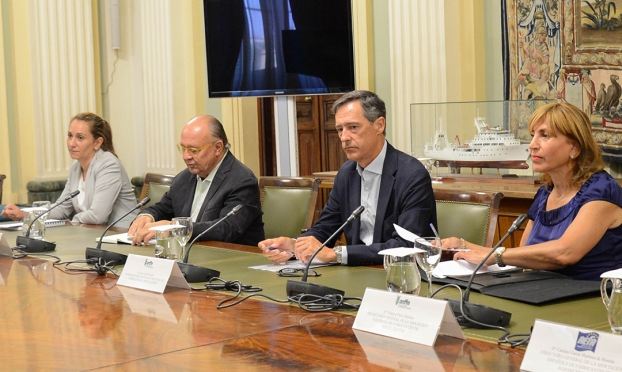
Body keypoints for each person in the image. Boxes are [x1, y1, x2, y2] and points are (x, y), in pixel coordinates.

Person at [441, 102, 622, 281]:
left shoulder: (603, 191)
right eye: (532, 135)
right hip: (542, 292)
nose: (532, 145)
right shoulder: (546, 191)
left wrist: (497, 254)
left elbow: (565, 253)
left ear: (574, 147)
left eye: (544, 135)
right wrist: (463, 246)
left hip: (592, 300)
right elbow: (525, 254)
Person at [259, 90, 437, 266]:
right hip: (355, 273)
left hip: (396, 274)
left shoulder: (411, 175)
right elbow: (327, 228)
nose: (344, 137)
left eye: (353, 127)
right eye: (339, 129)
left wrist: (337, 254)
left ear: (379, 125)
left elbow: (407, 246)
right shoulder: (346, 173)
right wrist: (295, 245)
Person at [128, 116, 264, 246]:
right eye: (183, 148)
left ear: (218, 147)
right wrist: (147, 216)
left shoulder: (242, 181)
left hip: (231, 260)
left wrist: (176, 228)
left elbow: (226, 229)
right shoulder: (184, 178)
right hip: (191, 255)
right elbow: (162, 208)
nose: (186, 156)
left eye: (193, 150)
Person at [2, 113, 138, 228]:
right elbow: (61, 208)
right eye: (69, 135)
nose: (71, 143)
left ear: (97, 143)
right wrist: (24, 214)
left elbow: (98, 216)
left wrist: (71, 222)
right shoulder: (76, 167)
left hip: (120, 235)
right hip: (91, 233)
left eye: (80, 138)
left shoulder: (108, 165)